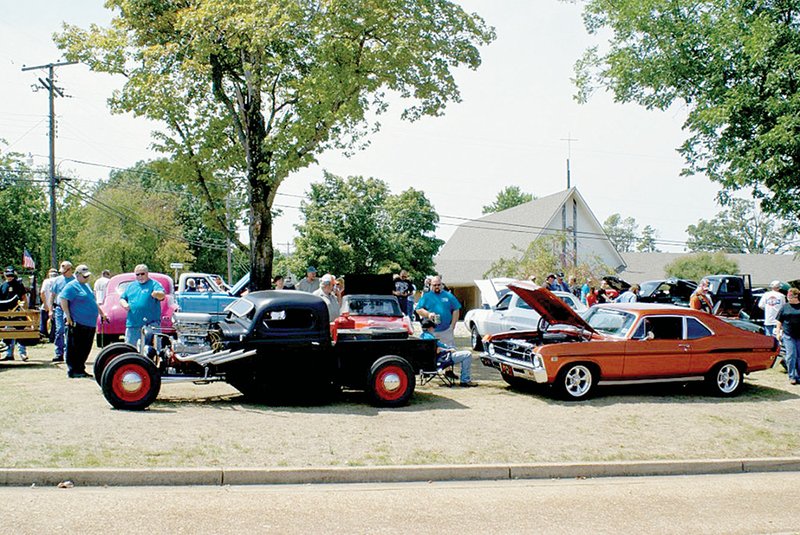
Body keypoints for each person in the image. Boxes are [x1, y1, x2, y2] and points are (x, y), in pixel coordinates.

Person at [60, 265, 107, 378]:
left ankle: (81, 368)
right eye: (84, 276)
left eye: (87, 276)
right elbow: (63, 299)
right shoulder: (71, 286)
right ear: (77, 275)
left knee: (85, 348)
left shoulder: (86, 286)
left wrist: (101, 313)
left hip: (90, 323)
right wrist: (68, 316)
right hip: (77, 322)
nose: (86, 278)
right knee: (75, 347)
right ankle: (73, 370)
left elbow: (92, 301)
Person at [420, 318, 477, 387]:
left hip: (432, 361)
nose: (434, 329)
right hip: (441, 359)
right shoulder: (430, 339)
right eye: (433, 327)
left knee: (459, 352)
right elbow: (436, 350)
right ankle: (465, 380)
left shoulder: (422, 336)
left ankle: (462, 378)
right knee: (467, 354)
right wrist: (448, 350)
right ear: (430, 328)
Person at [119, 264, 165, 347]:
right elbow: (122, 298)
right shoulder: (131, 286)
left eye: (142, 274)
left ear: (147, 273)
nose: (140, 276)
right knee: (130, 349)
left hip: (151, 324)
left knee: (153, 350)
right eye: (138, 274)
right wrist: (124, 304)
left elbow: (162, 296)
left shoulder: (154, 284)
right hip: (133, 324)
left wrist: (157, 294)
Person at [415, 275, 461, 347]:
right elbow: (418, 309)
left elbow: (456, 309)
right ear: (431, 285)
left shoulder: (448, 295)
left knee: (449, 351)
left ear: (442, 284)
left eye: (438, 285)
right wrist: (428, 314)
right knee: (432, 351)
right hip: (431, 331)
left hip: (446, 331)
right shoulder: (426, 296)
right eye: (434, 285)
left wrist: (452, 325)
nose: (437, 287)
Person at [1, 266, 29, 361]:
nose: (9, 277)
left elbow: (24, 297)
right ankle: (9, 354)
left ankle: (22, 353)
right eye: (8, 275)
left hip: (17, 311)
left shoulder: (19, 284)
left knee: (20, 332)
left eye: (11, 275)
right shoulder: (3, 286)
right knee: (7, 334)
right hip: (6, 313)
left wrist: (24, 309)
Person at [49, 261, 75, 363]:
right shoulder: (57, 280)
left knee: (69, 330)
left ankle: (68, 353)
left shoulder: (75, 281)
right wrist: (50, 310)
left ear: (70, 270)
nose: (63, 273)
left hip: (71, 308)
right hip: (59, 308)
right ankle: (58, 353)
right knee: (59, 330)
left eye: (65, 271)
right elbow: (52, 295)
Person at [775, 288, 800, 385]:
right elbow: (779, 320)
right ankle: (792, 376)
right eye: (788, 296)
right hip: (788, 335)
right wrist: (778, 332)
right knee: (791, 356)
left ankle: (798, 375)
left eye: (790, 296)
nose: (788, 298)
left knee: (799, 356)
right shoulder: (785, 307)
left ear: (796, 296)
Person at [39, 268, 58, 342]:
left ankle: (44, 335)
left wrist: (45, 304)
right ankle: (52, 337)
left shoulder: (46, 281)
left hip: (46, 306)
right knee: (54, 324)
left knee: (44, 322)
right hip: (54, 305)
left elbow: (42, 293)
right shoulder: (58, 281)